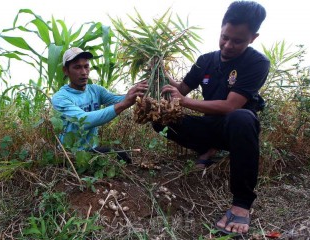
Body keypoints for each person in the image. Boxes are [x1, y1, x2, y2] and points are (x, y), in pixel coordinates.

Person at [153, 1, 269, 235]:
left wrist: (183, 101)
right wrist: (159, 72)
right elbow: (182, 89)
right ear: (221, 28)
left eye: (238, 41)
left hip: (234, 130)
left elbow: (230, 106)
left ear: (253, 38)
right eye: (225, 37)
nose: (228, 45)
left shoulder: (257, 63)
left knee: (242, 118)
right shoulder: (205, 60)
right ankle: (207, 149)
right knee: (159, 119)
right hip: (208, 126)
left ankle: (241, 203)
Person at [52, 47, 148, 163]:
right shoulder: (60, 98)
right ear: (66, 71)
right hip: (70, 154)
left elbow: (119, 100)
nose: (83, 72)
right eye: (77, 67)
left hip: (92, 150)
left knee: (123, 157)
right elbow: (84, 120)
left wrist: (139, 91)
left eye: (86, 66)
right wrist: (125, 103)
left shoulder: (95, 90)